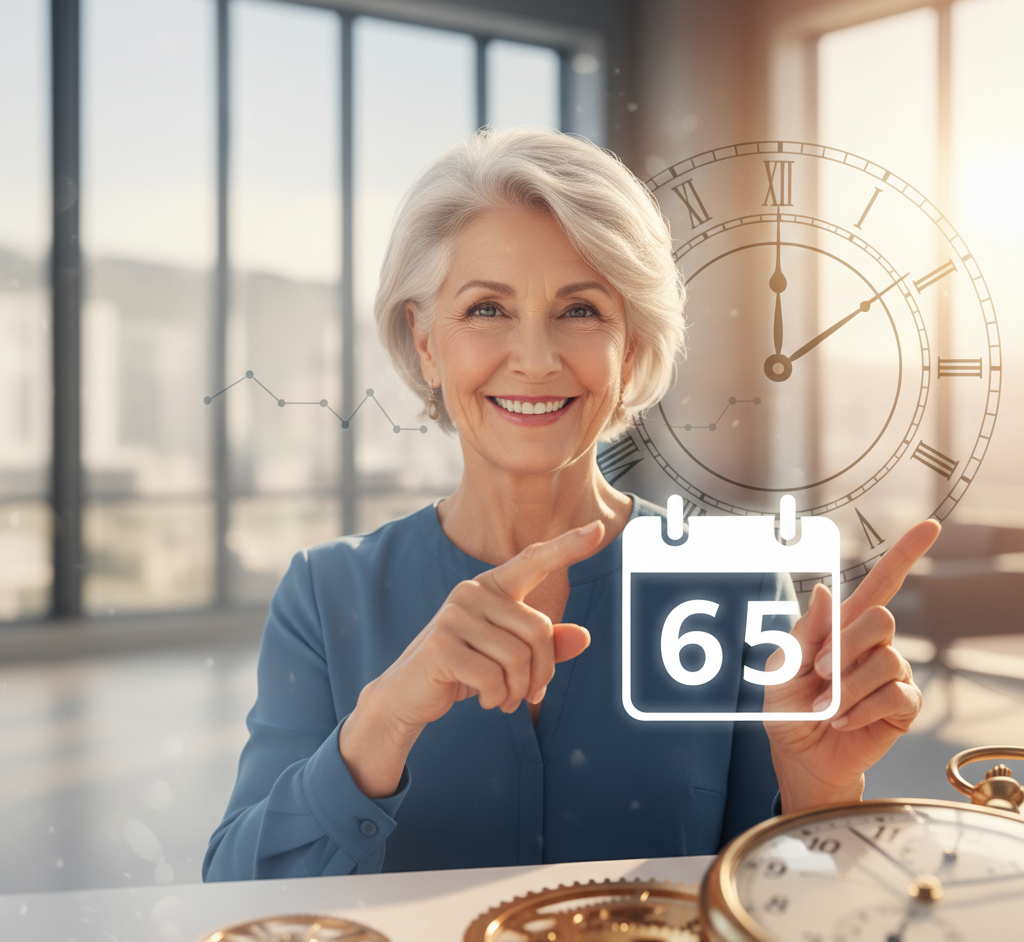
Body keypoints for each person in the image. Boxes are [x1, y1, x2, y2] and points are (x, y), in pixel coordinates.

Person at [203, 128, 938, 881]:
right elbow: (234, 892)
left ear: (632, 349)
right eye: (487, 309)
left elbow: (783, 903)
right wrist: (386, 720)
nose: (535, 357)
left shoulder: (737, 583)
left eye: (580, 310)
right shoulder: (325, 595)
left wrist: (822, 793)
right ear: (425, 342)